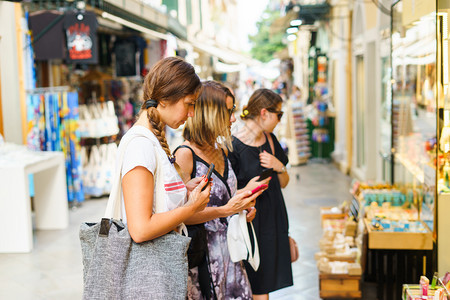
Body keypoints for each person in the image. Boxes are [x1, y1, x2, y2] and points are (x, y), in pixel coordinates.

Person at [119, 57, 211, 293]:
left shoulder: (151, 141)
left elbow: (155, 204)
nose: (191, 113)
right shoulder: (141, 145)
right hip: (148, 280)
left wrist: (184, 190)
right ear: (164, 98)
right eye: (189, 104)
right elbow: (140, 229)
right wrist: (191, 208)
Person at [174, 81, 270, 299]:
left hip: (231, 256)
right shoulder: (185, 155)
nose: (233, 118)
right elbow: (180, 217)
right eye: (228, 111)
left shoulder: (220, 150)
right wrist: (226, 210)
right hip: (204, 262)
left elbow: (223, 199)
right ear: (210, 113)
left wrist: (242, 207)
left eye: (233, 111)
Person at [229, 88, 293, 299]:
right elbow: (226, 192)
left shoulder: (271, 140)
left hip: (273, 221)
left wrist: (279, 167)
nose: (280, 120)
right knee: (255, 283)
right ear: (264, 113)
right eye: (279, 115)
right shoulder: (234, 146)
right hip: (250, 223)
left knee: (264, 284)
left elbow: (284, 183)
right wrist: (247, 190)